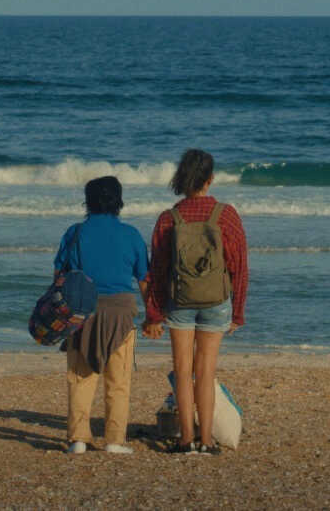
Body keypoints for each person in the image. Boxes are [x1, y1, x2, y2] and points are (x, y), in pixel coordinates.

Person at [142, 148, 249, 455]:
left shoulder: (169, 219)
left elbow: (158, 272)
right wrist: (238, 312)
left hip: (180, 302)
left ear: (181, 177)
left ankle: (185, 439)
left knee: (183, 368)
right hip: (217, 302)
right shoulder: (226, 215)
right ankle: (207, 441)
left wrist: (154, 313)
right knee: (206, 371)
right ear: (210, 179)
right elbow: (239, 266)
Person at [55, 175, 149, 455]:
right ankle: (114, 440)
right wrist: (154, 316)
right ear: (118, 201)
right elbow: (144, 279)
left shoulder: (74, 233)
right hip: (121, 315)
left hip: (81, 313)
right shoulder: (131, 234)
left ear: (88, 202)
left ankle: (78, 439)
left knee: (80, 379)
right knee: (118, 381)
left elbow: (60, 276)